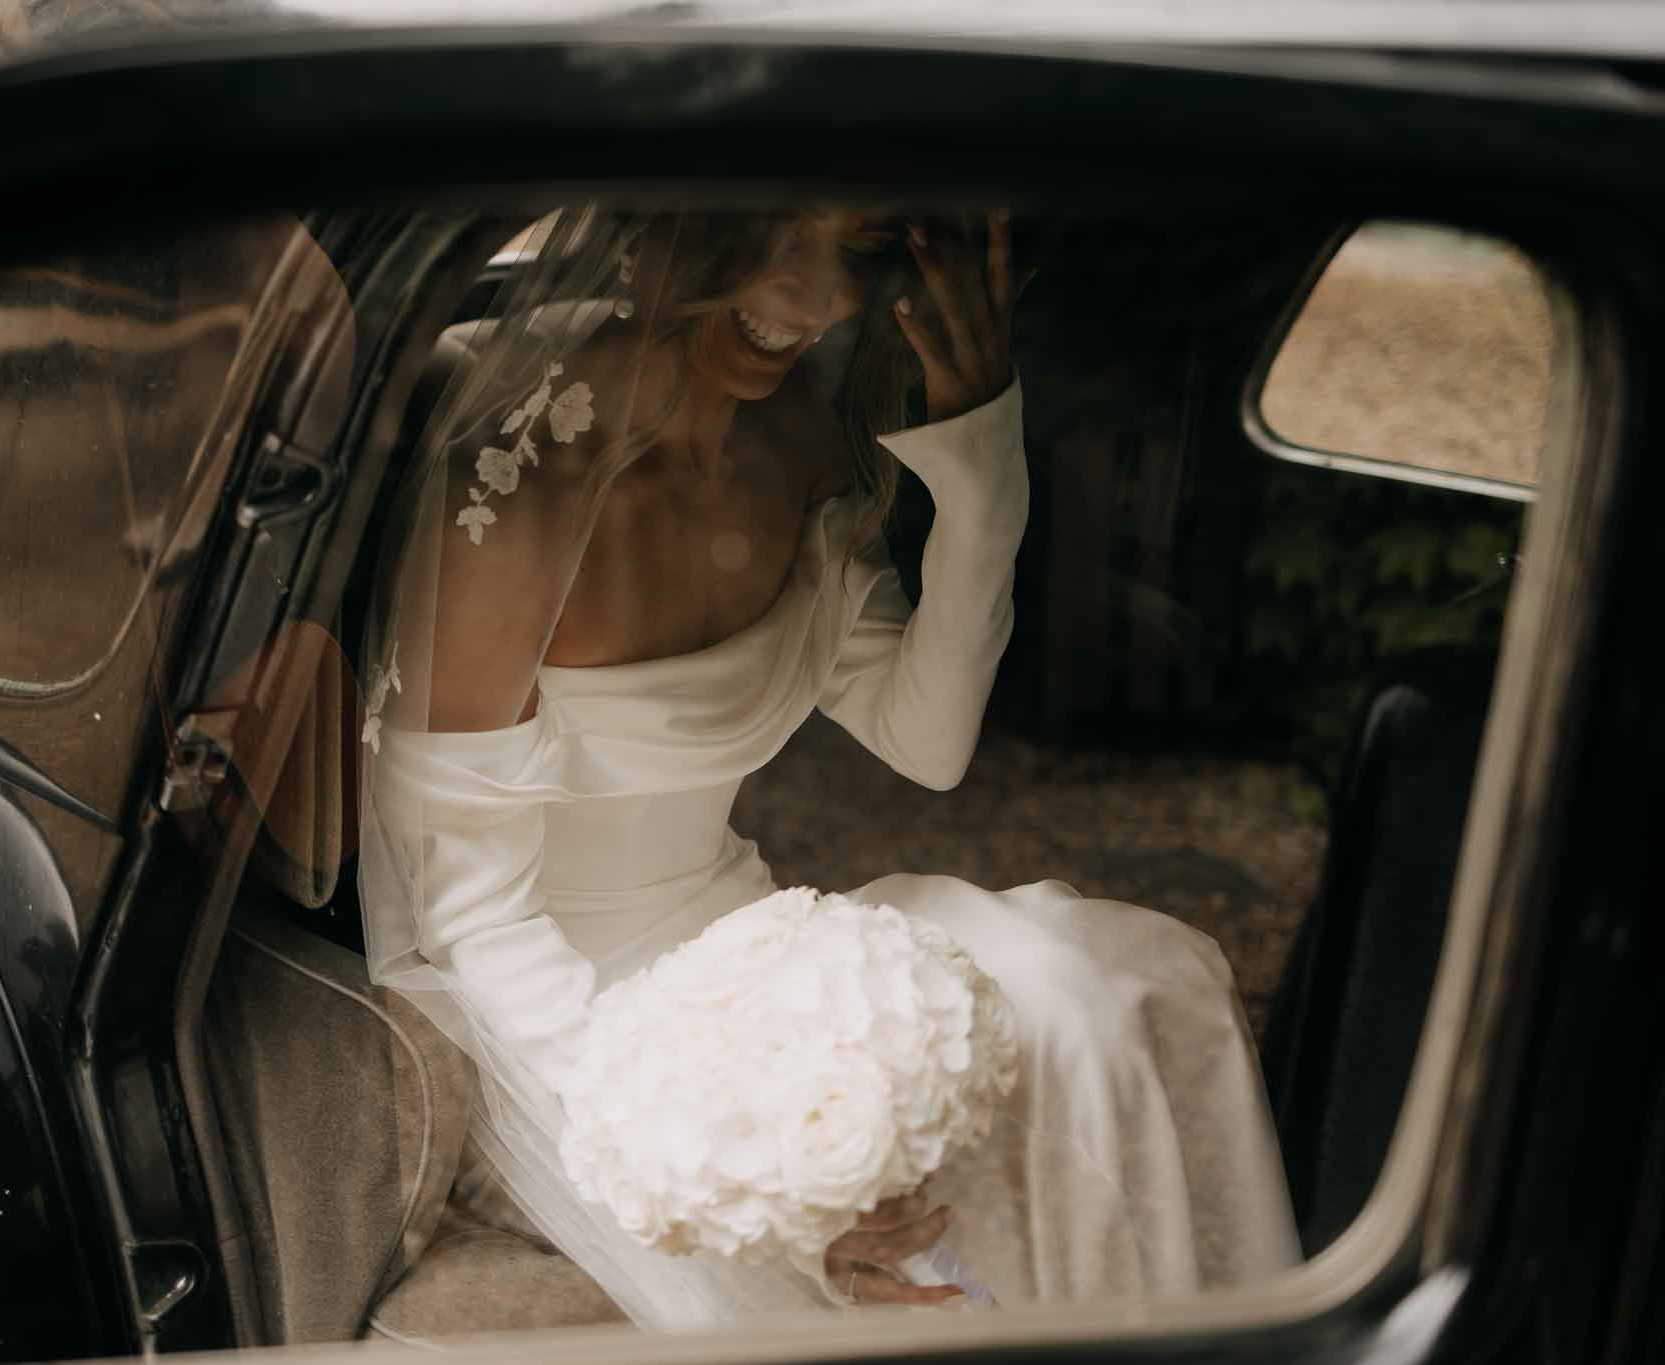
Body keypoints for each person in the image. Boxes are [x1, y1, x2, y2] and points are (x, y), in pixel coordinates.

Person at [354, 204, 1299, 1326]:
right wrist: (757, 1161)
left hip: (750, 939)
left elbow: (927, 741)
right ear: (655, 213)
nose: (819, 300)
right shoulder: (520, 497)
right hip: (556, 1015)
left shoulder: (794, 434)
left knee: (1125, 990)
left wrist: (982, 468)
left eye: (852, 251)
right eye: (758, 230)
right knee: (902, 1211)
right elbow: (477, 926)